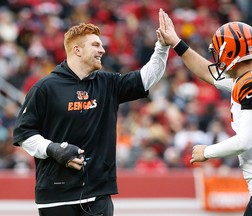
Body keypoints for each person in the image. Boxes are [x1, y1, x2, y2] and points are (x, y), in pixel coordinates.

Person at [13, 11, 170, 216]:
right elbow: (23, 134)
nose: (103, 50)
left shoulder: (107, 83)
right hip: (56, 196)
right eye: (96, 45)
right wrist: (54, 149)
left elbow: (145, 79)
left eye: (102, 45)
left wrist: (162, 47)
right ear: (77, 50)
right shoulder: (45, 88)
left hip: (98, 195)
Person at [158, 8, 252, 216]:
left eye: (218, 51)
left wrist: (207, 152)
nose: (216, 58)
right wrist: (176, 43)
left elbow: (245, 141)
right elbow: (208, 74)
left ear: (229, 51)